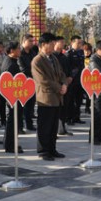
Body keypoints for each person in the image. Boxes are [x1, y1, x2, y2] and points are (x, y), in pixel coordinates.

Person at [32, 33, 68, 161]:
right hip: (45, 99)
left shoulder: (53, 58)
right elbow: (43, 80)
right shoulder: (37, 61)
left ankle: (52, 149)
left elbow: (62, 73)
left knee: (53, 127)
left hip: (57, 97)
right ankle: (43, 151)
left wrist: (64, 84)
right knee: (44, 126)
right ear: (43, 45)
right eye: (51, 44)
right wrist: (59, 87)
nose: (54, 46)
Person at [0, 41, 24, 153]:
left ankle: (11, 143)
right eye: (18, 48)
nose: (20, 50)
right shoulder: (10, 64)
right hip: (12, 97)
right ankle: (10, 145)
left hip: (14, 97)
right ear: (12, 50)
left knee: (14, 120)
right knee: (12, 121)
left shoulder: (12, 61)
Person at [53, 36, 73, 136]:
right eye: (60, 42)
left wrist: (69, 77)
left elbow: (68, 70)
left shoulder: (64, 57)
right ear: (55, 43)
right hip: (56, 87)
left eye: (63, 42)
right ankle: (57, 129)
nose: (62, 44)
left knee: (65, 107)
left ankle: (62, 127)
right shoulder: (52, 57)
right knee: (57, 108)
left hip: (66, 85)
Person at [18, 34, 37, 131]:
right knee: (22, 105)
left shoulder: (33, 53)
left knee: (31, 104)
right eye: (29, 41)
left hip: (33, 82)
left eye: (32, 41)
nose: (32, 43)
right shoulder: (19, 53)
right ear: (23, 41)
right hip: (23, 83)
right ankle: (20, 126)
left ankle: (29, 124)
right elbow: (23, 69)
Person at [66, 35, 85, 124]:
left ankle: (77, 117)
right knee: (70, 100)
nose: (80, 44)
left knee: (79, 100)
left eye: (81, 43)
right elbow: (68, 67)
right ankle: (69, 118)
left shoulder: (81, 52)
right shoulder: (69, 54)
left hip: (80, 80)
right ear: (72, 43)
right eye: (78, 43)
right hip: (72, 80)